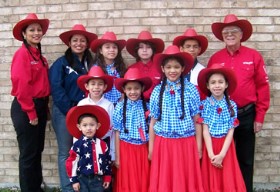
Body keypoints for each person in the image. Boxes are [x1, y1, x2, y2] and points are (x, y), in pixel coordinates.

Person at [208, 14, 270, 192]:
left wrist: (260, 116)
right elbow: (209, 87)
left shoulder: (253, 56)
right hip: (220, 116)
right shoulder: (216, 58)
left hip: (246, 114)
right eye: (226, 31)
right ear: (222, 36)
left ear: (241, 34)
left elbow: (262, 87)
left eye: (234, 31)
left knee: (245, 159)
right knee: (222, 156)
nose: (229, 34)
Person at [49, 24, 97, 191]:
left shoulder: (92, 63)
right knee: (66, 151)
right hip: (64, 112)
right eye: (75, 40)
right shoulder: (61, 63)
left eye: (82, 41)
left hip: (86, 113)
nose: (79, 43)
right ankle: (68, 188)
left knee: (84, 149)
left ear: (87, 43)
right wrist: (71, 109)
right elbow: (56, 88)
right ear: (69, 43)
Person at [148, 45, 204, 192]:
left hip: (185, 143)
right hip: (163, 143)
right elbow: (153, 121)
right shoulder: (157, 91)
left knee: (184, 178)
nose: (172, 71)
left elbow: (197, 119)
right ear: (162, 69)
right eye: (168, 67)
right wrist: (151, 148)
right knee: (165, 180)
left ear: (183, 68)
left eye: (176, 67)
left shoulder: (191, 90)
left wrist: (198, 147)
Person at [10, 13, 50, 192]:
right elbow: (22, 86)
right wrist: (31, 112)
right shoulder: (22, 55)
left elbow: (41, 85)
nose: (36, 32)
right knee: (28, 154)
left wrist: (44, 108)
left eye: (39, 29)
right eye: (32, 30)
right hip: (26, 107)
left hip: (39, 106)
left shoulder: (39, 56)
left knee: (36, 151)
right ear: (24, 34)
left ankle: (36, 188)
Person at [197, 64, 246, 192]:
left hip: (226, 146)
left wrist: (222, 154)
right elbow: (205, 131)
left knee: (227, 176)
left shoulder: (232, 105)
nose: (217, 85)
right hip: (210, 146)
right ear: (208, 86)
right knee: (211, 177)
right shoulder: (204, 105)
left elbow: (231, 131)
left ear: (226, 84)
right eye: (213, 82)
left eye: (220, 82)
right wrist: (212, 154)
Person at [113, 67, 152, 192]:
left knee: (144, 176)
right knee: (128, 178)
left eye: (136, 88)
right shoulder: (119, 107)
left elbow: (152, 130)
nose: (133, 92)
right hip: (126, 149)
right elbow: (117, 132)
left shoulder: (148, 107)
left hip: (143, 149)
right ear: (123, 90)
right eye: (129, 89)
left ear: (142, 89)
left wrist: (151, 150)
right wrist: (117, 157)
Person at [65, 105, 112, 192]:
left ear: (98, 126)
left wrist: (107, 176)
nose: (89, 128)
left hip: (97, 180)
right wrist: (74, 180)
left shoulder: (102, 144)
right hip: (82, 179)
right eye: (85, 125)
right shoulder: (77, 145)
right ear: (79, 127)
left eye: (92, 125)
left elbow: (107, 161)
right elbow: (72, 163)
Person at [77, 65, 115, 161]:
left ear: (105, 86)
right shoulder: (82, 104)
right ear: (87, 86)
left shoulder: (109, 105)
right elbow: (77, 129)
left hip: (103, 144)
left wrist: (113, 153)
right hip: (85, 145)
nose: (96, 87)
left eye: (100, 84)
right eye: (93, 84)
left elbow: (112, 128)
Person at [126, 30, 164, 101]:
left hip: (156, 105)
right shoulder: (130, 69)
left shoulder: (160, 68)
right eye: (141, 47)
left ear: (153, 50)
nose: (144, 50)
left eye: (148, 47)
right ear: (137, 50)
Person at [90, 31, 127, 106]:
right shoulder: (96, 68)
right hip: (102, 104)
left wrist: (122, 100)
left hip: (119, 104)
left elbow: (125, 85)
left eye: (114, 47)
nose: (111, 50)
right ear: (100, 51)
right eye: (107, 47)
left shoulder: (120, 67)